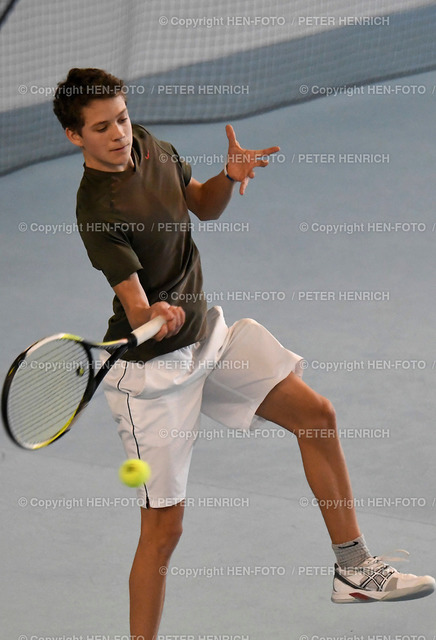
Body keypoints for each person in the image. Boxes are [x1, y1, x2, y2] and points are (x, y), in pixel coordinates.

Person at [53, 68, 434, 639]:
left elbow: (203, 206)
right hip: (154, 375)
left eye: (123, 118)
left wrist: (228, 177)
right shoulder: (96, 209)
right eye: (102, 127)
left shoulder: (153, 146)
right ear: (74, 137)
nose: (120, 134)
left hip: (207, 337)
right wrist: (154, 315)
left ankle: (354, 570)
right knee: (164, 529)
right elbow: (135, 309)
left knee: (317, 417)